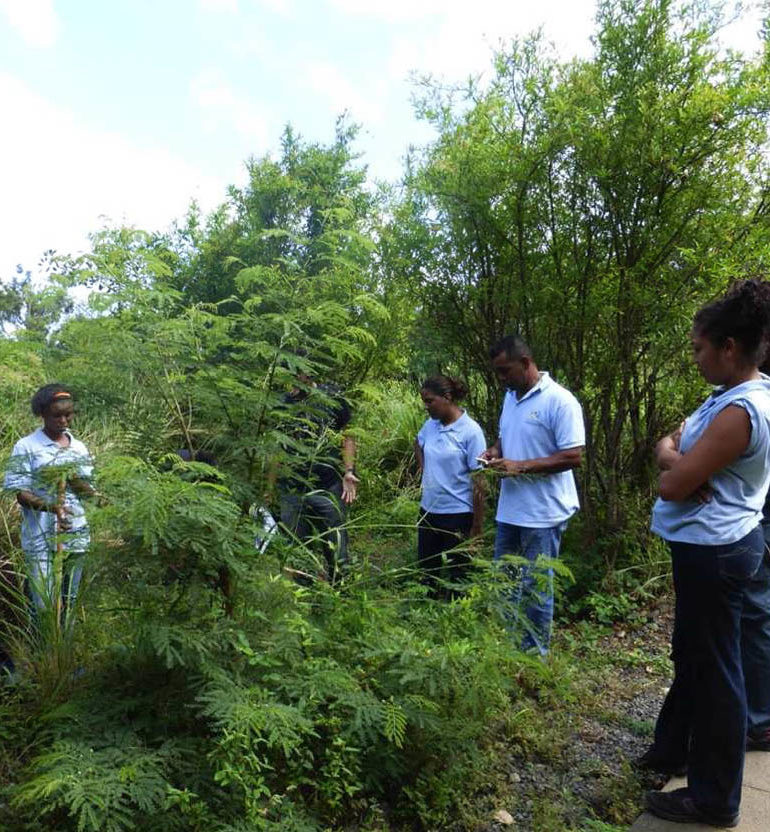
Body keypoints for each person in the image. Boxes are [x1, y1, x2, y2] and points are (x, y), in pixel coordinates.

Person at [640, 279, 770, 828]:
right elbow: (669, 443)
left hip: (715, 552)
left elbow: (670, 484)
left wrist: (676, 465)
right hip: (710, 548)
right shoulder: (725, 397)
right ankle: (671, 751)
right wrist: (677, 455)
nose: (694, 358)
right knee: (696, 657)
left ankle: (715, 798)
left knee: (718, 671)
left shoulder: (742, 410)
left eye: (698, 348)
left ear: (729, 348)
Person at [480, 335, 585, 655]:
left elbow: (573, 456)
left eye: (505, 370)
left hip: (543, 513)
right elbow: (505, 437)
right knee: (505, 583)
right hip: (510, 510)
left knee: (535, 587)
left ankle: (534, 659)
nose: (501, 379)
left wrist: (520, 466)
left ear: (526, 363)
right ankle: (506, 652)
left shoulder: (560, 401)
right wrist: (494, 452)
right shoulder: (511, 397)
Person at [4, 384, 95, 618]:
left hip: (76, 535)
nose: (63, 420)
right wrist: (53, 508)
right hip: (40, 537)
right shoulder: (26, 446)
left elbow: (88, 493)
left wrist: (71, 476)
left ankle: (64, 651)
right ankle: (40, 651)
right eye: (57, 415)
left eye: (68, 414)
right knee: (43, 602)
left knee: (70, 599)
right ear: (42, 414)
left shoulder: (79, 448)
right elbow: (21, 493)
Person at [266, 372, 358, 583]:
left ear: (310, 374)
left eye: (303, 375)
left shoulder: (332, 398)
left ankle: (340, 592)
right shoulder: (282, 405)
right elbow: (276, 449)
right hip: (292, 489)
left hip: (328, 485)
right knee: (296, 549)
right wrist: (270, 488)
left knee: (336, 546)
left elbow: (348, 435)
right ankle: (304, 600)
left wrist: (349, 471)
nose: (299, 380)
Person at [414, 376, 486, 598]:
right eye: (424, 402)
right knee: (428, 572)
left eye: (430, 401)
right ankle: (427, 614)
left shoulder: (471, 432)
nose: (426, 407)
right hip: (428, 511)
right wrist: (423, 471)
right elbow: (418, 443)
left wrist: (476, 527)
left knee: (459, 575)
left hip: (457, 514)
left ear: (447, 398)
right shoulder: (430, 425)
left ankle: (458, 620)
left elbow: (480, 481)